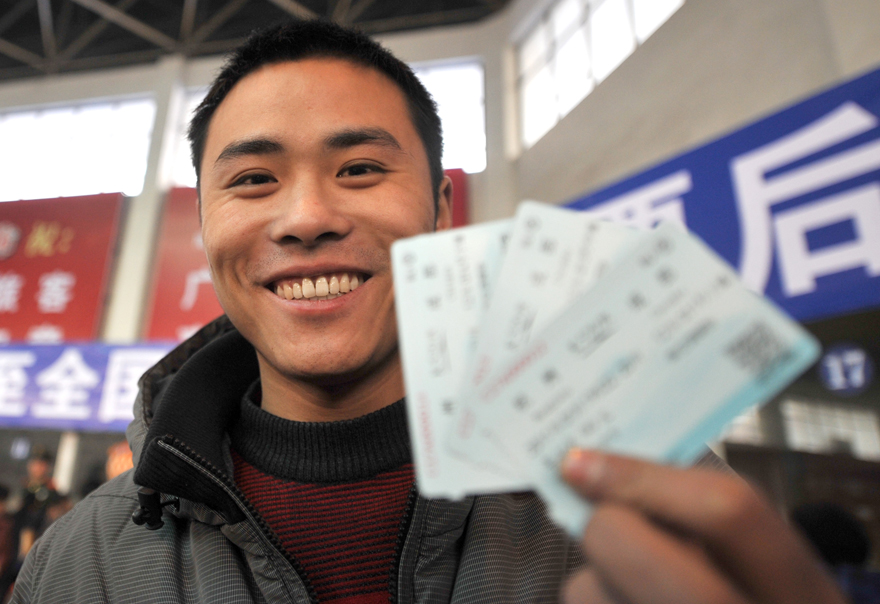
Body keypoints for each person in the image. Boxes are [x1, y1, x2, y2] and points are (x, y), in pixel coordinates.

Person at [11, 18, 847, 604]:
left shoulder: (647, 492)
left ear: (444, 211)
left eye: (363, 169)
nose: (306, 217)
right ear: (203, 227)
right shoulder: (82, 562)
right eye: (254, 180)